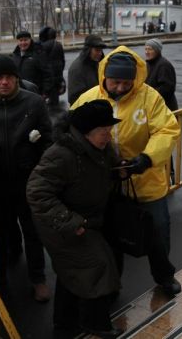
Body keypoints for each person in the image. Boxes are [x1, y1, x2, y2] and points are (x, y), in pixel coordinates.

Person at [71, 46, 182, 296]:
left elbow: (167, 130)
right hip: (107, 184)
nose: (120, 88)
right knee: (111, 238)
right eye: (115, 82)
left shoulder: (150, 98)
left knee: (158, 232)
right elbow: (71, 130)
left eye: (126, 83)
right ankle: (113, 284)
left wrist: (147, 158)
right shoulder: (89, 98)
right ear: (104, 77)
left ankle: (164, 276)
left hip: (147, 180)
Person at [27, 100, 123, 338]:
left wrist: (123, 168)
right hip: (60, 223)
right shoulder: (61, 154)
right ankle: (94, 322)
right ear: (86, 132)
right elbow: (37, 192)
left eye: (109, 130)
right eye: (103, 131)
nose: (108, 136)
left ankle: (65, 324)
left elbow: (109, 165)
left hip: (85, 218)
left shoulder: (100, 147)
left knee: (72, 271)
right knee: (95, 265)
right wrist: (69, 221)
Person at [0, 54, 52, 301]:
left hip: (28, 180)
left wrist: (41, 172)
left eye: (9, 77)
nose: (4, 82)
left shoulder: (34, 103)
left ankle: (38, 278)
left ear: (16, 78)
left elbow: (48, 139)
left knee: (33, 232)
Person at [67, 34, 107, 105]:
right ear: (88, 50)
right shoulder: (77, 69)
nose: (100, 53)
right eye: (97, 50)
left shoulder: (96, 63)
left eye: (101, 50)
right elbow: (74, 98)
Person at [11, 31, 52, 98]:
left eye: (25, 40)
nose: (23, 43)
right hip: (19, 94)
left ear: (30, 40)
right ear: (17, 42)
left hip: (35, 93)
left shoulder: (39, 53)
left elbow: (48, 74)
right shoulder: (15, 55)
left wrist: (45, 92)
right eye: (21, 40)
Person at [144, 39, 178, 112]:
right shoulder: (148, 64)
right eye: (146, 49)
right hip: (153, 106)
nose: (147, 52)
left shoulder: (164, 65)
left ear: (157, 51)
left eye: (150, 49)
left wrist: (148, 95)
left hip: (165, 108)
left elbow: (167, 88)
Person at [38, 26, 65, 107]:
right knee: (55, 93)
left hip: (50, 73)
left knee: (49, 92)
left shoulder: (43, 45)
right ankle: (55, 106)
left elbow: (41, 61)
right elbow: (62, 60)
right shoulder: (59, 45)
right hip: (58, 72)